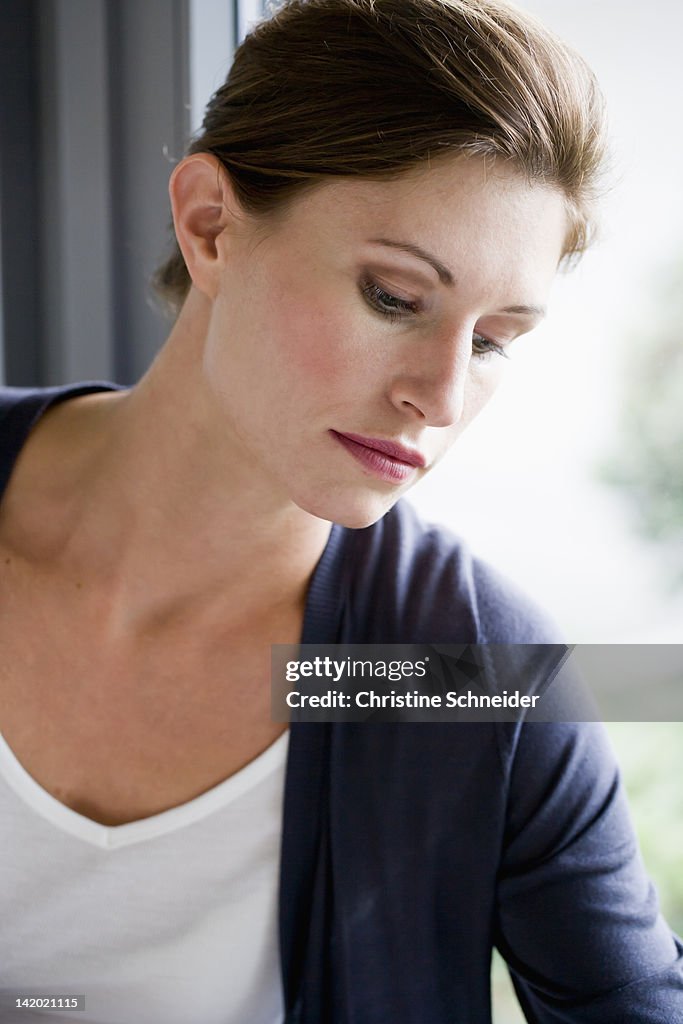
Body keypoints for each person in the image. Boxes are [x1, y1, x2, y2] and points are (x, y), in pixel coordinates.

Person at [0, 0, 681, 1021]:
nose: (440, 397)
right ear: (211, 227)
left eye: (491, 339)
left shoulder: (459, 678)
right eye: (394, 297)